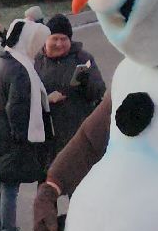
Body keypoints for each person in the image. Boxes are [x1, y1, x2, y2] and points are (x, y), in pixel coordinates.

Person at [0, 18, 52, 231]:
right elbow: (16, 108)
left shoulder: (7, 61)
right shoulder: (21, 69)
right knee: (9, 188)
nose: (40, 48)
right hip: (9, 138)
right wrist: (22, 138)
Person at [35, 13, 107, 158]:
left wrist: (87, 82)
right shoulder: (35, 61)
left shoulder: (83, 58)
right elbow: (24, 96)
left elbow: (98, 92)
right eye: (55, 39)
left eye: (64, 39)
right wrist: (46, 100)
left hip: (77, 134)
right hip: (46, 138)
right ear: (46, 40)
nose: (59, 44)